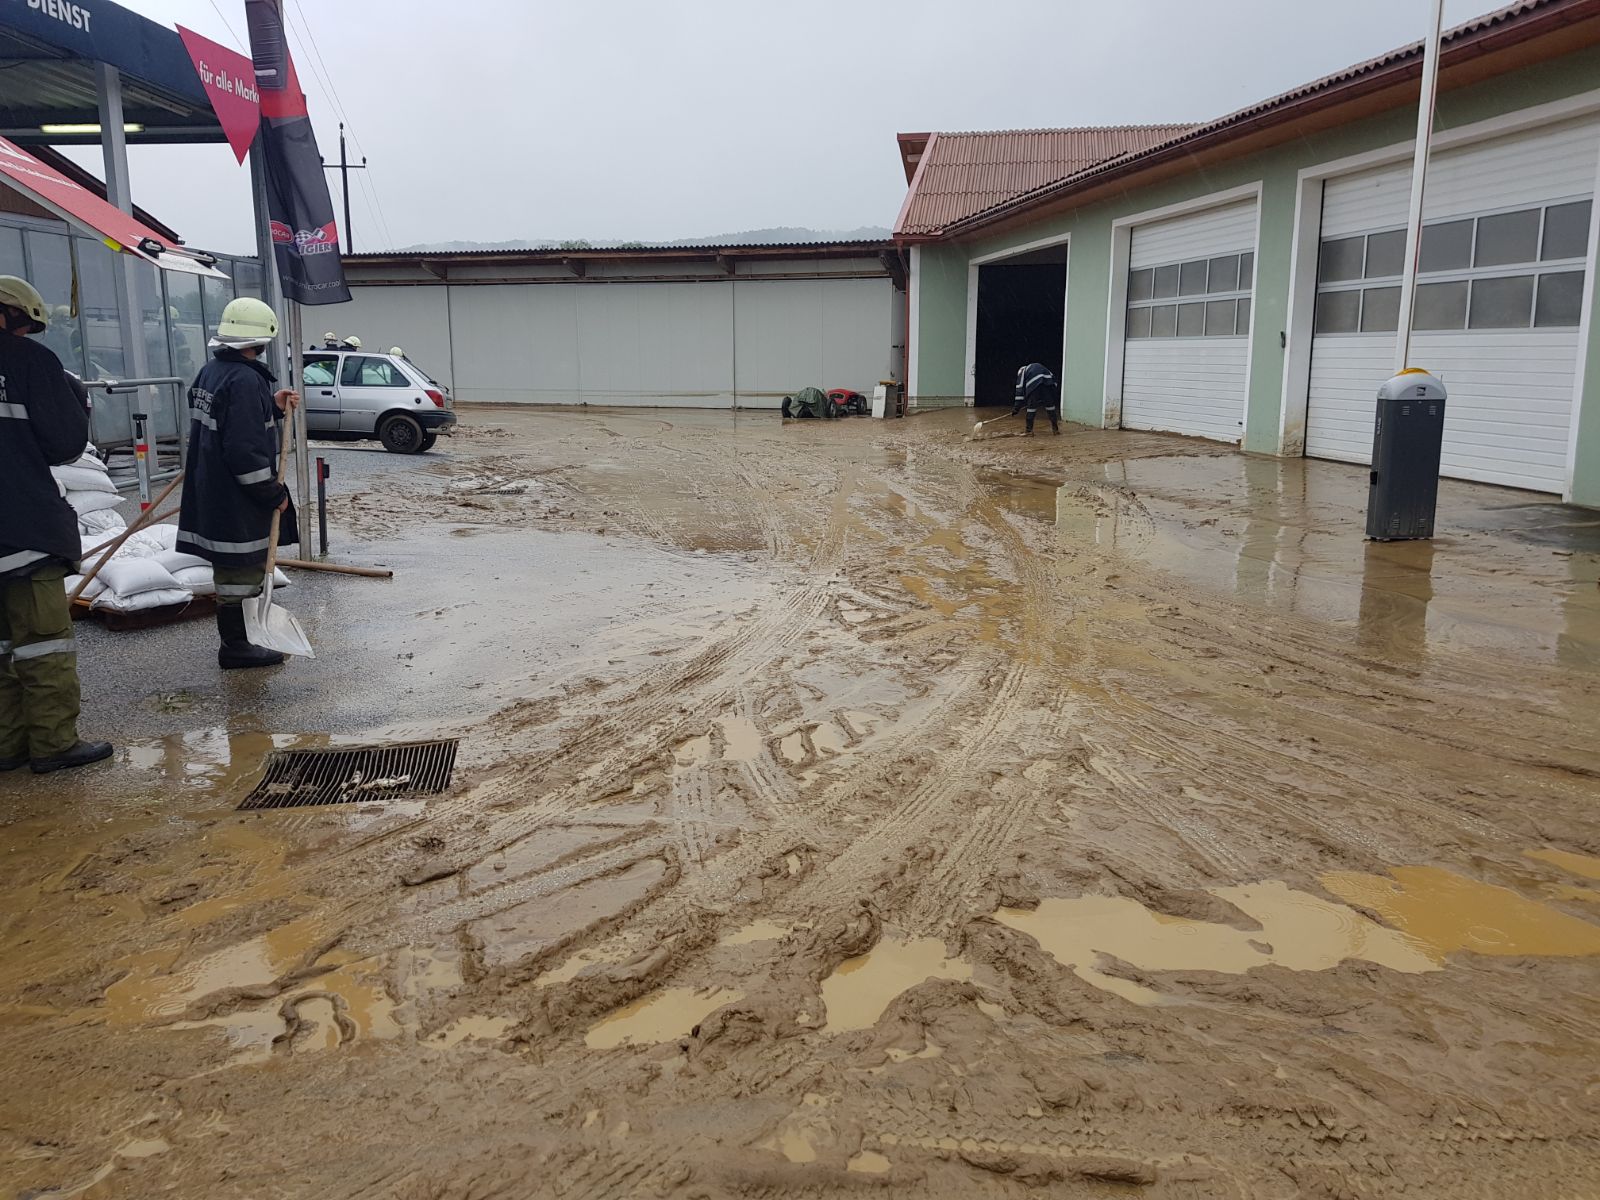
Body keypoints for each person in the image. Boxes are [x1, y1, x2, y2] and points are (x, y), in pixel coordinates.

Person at [0, 275, 114, 774]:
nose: (25, 335)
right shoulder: (30, 361)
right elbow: (66, 446)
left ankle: (7, 745)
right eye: (24, 326)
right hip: (22, 529)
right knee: (43, 644)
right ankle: (53, 743)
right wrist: (73, 400)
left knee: (1, 647)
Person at [176, 297, 301, 670]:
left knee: (230, 572)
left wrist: (271, 405)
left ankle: (240, 641)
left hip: (213, 490)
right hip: (236, 499)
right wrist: (272, 493)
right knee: (241, 573)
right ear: (261, 340)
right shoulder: (245, 379)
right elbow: (244, 450)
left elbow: (227, 420)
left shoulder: (211, 372)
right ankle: (239, 646)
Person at [1013, 362, 1061, 436]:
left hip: (1035, 385)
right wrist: (1050, 396)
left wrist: (1016, 408)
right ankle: (1055, 430)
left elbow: (1019, 389)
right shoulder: (1039, 368)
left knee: (1031, 408)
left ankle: (1029, 431)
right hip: (1048, 384)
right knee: (1050, 407)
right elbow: (1054, 381)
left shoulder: (1022, 371)